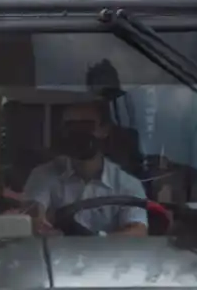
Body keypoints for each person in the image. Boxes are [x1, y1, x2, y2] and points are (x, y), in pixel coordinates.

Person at [19, 99, 151, 237]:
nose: (78, 133)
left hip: (107, 251)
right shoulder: (43, 175)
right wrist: (39, 223)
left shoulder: (127, 184)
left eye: (86, 126)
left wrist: (97, 241)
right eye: (71, 126)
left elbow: (138, 231)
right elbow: (32, 215)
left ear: (104, 130)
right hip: (56, 250)